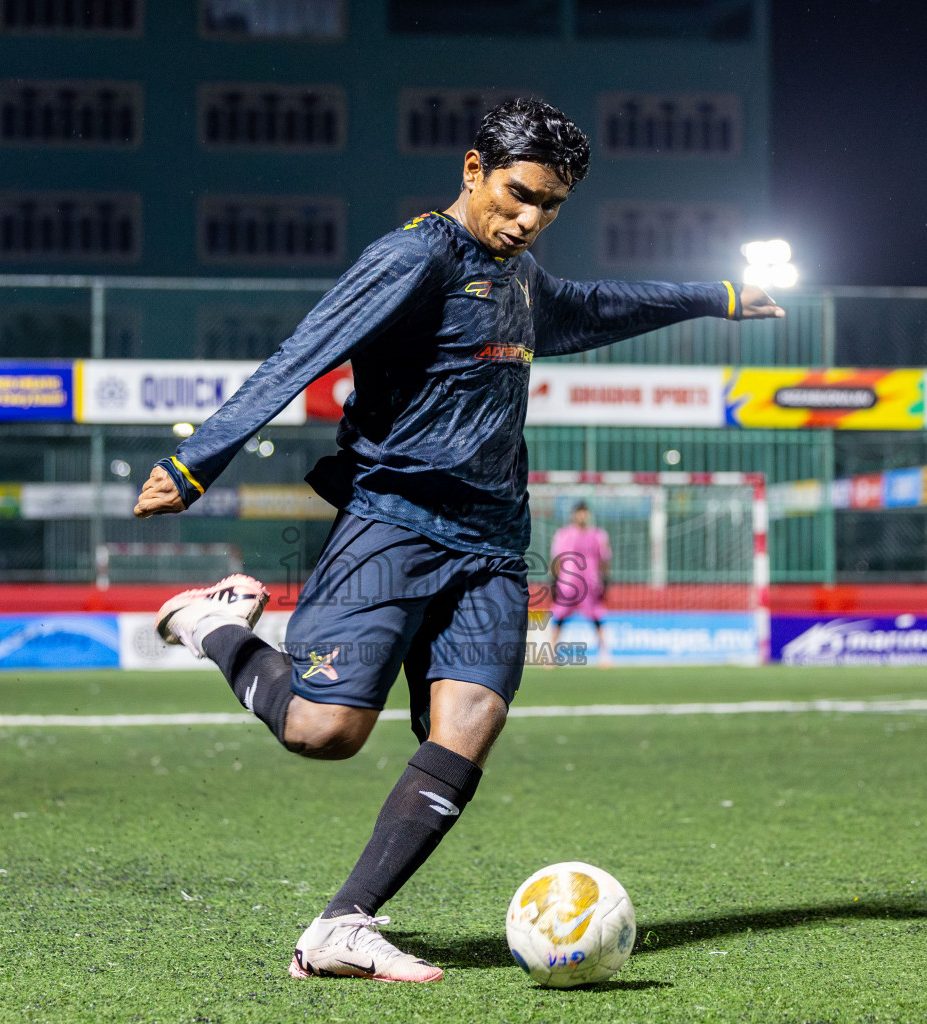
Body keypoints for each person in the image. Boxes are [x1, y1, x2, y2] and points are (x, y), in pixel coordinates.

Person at [133, 98, 784, 983]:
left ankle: (341, 926)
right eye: (518, 195)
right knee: (325, 732)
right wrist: (198, 461)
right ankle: (215, 626)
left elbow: (590, 308)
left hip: (492, 540)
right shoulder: (414, 257)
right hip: (393, 520)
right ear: (473, 169)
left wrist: (716, 296)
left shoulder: (519, 274)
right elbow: (304, 350)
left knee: (472, 719)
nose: (530, 219)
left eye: (551, 205)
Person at [547, 501, 612, 667]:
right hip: (567, 584)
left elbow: (604, 559)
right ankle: (551, 654)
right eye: (579, 512)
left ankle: (604, 654)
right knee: (559, 617)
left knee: (597, 617)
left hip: (590, 584)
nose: (582, 516)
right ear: (574, 515)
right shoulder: (563, 534)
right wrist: (553, 581)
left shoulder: (598, 535)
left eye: (585, 512)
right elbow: (556, 559)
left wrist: (605, 580)